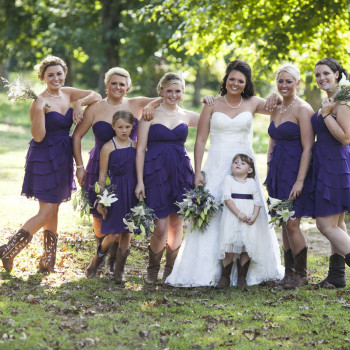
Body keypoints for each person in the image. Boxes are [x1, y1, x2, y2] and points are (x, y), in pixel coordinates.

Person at [166, 60, 284, 287]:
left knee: (247, 207)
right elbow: (200, 140)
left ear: (246, 83)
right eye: (232, 79)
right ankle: (213, 271)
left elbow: (277, 103)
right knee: (214, 213)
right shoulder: (211, 103)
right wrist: (198, 171)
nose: (236, 83)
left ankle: (244, 271)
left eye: (241, 80)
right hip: (217, 164)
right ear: (225, 79)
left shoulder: (251, 103)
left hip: (244, 165)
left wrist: (273, 93)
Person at [0, 55, 101, 273]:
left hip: (63, 156)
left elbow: (97, 95)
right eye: (50, 75)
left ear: (64, 74)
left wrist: (80, 104)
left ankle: (48, 261)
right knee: (46, 212)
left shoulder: (68, 94)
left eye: (59, 74)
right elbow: (37, 136)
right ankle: (8, 250)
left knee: (53, 209)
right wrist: (39, 109)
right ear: (43, 78)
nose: (56, 78)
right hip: (44, 156)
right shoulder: (39, 101)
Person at [72, 67, 160, 272]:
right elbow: (76, 136)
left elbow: (164, 98)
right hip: (99, 166)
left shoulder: (136, 103)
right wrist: (79, 166)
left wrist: (151, 106)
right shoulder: (95, 107)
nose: (118, 87)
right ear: (106, 84)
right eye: (114, 83)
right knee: (99, 217)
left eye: (122, 84)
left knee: (125, 215)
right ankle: (100, 255)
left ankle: (113, 264)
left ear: (128, 86)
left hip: (128, 166)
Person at [135, 72, 199, 284]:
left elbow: (215, 118)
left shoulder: (188, 115)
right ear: (161, 91)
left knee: (176, 223)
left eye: (178, 91)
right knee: (160, 226)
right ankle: (152, 270)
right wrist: (140, 180)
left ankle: (170, 272)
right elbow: (141, 149)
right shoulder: (149, 114)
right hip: (155, 172)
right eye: (169, 90)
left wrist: (210, 100)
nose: (173, 95)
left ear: (183, 92)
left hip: (180, 172)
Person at [264, 64, 314, 289]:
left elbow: (308, 148)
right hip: (276, 170)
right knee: (283, 222)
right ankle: (289, 272)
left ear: (297, 83)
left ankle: (301, 274)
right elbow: (272, 140)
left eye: (288, 81)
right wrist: (267, 166)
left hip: (294, 170)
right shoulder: (276, 107)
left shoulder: (303, 109)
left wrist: (300, 180)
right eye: (280, 81)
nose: (284, 85)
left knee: (292, 223)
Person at [85, 110, 137, 283]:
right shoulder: (108, 147)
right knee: (113, 233)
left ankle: (119, 271)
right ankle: (96, 260)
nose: (124, 130)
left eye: (127, 127)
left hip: (131, 191)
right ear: (113, 127)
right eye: (120, 127)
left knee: (126, 232)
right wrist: (101, 199)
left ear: (132, 127)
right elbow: (101, 176)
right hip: (114, 192)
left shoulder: (135, 146)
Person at [312, 57, 350, 288]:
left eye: (326, 73)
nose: (321, 78)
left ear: (337, 74)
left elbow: (346, 137)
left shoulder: (342, 101)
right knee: (336, 223)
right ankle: (336, 275)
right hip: (326, 163)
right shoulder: (331, 99)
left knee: (324, 225)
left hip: (335, 165)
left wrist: (326, 114)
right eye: (317, 75)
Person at [218, 154, 264, 290]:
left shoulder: (252, 182)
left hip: (249, 217)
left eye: (243, 163)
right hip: (233, 217)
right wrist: (239, 214)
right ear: (231, 166)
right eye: (236, 162)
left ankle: (242, 277)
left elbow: (257, 201)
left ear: (249, 170)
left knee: (246, 246)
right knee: (229, 246)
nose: (238, 164)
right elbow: (227, 199)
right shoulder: (228, 179)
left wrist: (254, 215)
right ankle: (225, 276)